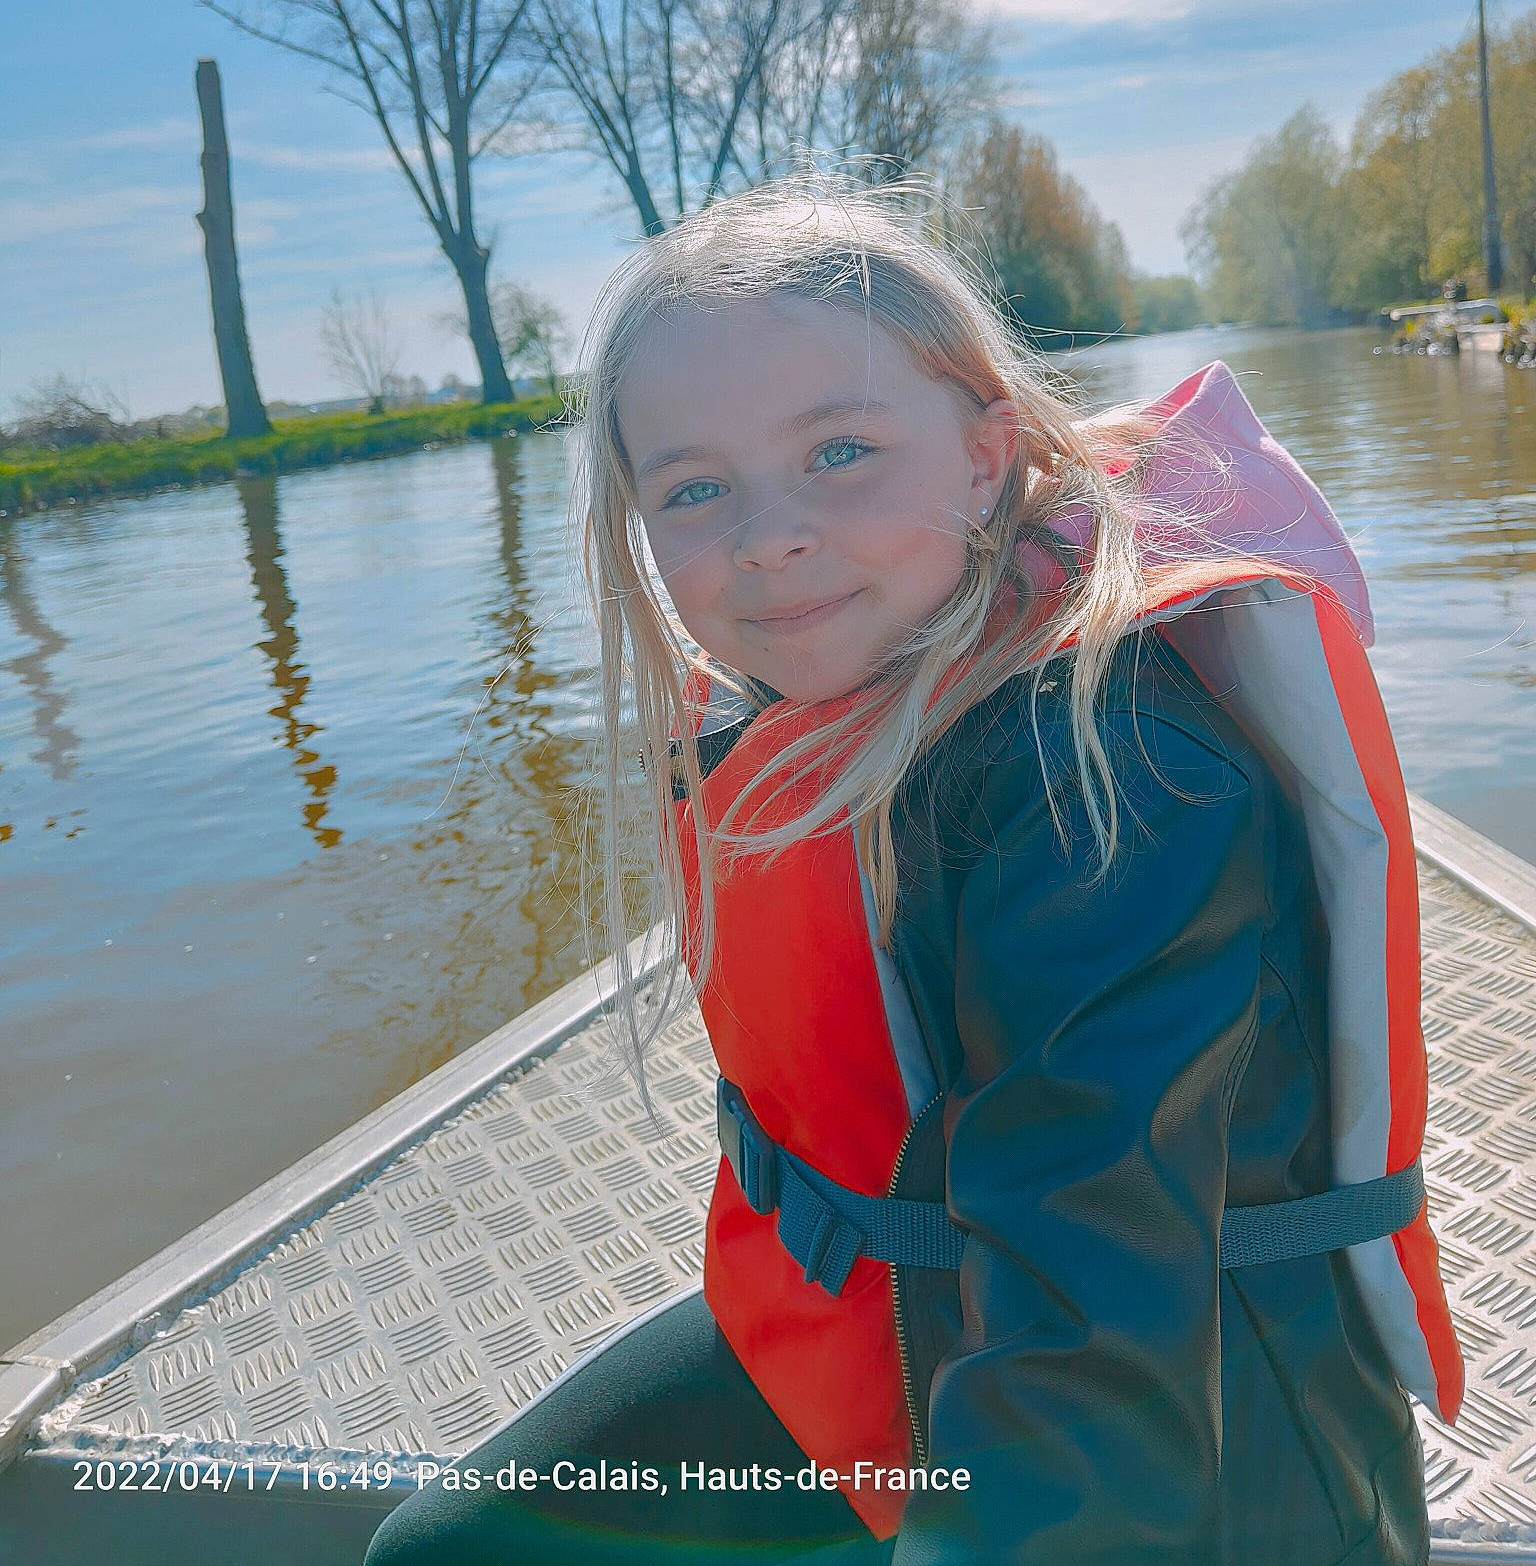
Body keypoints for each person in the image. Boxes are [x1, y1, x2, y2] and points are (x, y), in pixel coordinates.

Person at [366, 173, 1461, 1566]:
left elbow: (1091, 1318)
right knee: (446, 1553)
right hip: (877, 1316)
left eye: (840, 454)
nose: (770, 537)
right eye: (697, 490)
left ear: (986, 454)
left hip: (1178, 1434)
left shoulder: (1113, 777)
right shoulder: (830, 682)